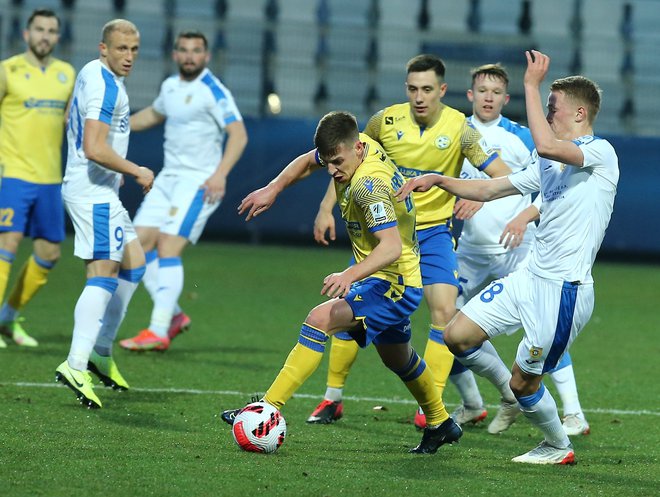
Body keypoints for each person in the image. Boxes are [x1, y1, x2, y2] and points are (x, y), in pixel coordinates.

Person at [395, 50, 618, 464]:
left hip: (563, 290)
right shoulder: (547, 162)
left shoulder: (601, 153)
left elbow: (549, 145)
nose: (547, 115)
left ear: (580, 112)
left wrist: (531, 85)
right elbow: (491, 189)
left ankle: (557, 445)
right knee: (457, 335)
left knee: (526, 381)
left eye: (553, 108)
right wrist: (440, 180)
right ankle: (506, 397)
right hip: (528, 278)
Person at [221, 111, 462, 454]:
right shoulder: (352, 146)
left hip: (394, 281)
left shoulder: (369, 186)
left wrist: (348, 275)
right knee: (398, 358)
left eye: (337, 162)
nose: (332, 170)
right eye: (329, 161)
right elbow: (309, 161)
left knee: (319, 319)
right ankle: (441, 423)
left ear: (357, 149)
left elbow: (391, 247)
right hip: (388, 277)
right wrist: (274, 188)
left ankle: (266, 410)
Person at [306, 54, 510, 427]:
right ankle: (332, 397)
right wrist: (325, 207)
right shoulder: (383, 121)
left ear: (442, 91)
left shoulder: (462, 130)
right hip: (386, 232)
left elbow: (501, 175)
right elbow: (342, 160)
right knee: (352, 306)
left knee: (445, 315)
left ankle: (431, 407)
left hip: (432, 233)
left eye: (427, 89)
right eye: (413, 88)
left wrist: (472, 195)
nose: (419, 96)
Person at [449, 63, 591, 437]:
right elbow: (481, 186)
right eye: (482, 91)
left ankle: (572, 413)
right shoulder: (454, 132)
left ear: (505, 98)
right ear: (470, 95)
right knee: (447, 323)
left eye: (496, 92)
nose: (489, 97)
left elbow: (551, 183)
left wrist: (524, 215)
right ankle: (473, 402)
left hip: (520, 247)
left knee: (542, 331)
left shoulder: (527, 137)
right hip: (471, 248)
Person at [118, 30, 247, 352]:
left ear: (206, 56)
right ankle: (173, 316)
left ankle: (158, 330)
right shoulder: (170, 87)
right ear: (175, 54)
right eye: (184, 50)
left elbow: (239, 134)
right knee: (136, 247)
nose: (190, 56)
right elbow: (153, 114)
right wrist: (116, 124)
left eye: (196, 51)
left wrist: (220, 175)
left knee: (167, 246)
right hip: (168, 180)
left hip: (198, 182)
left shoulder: (212, 90)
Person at [55, 19, 154, 409]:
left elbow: (71, 121)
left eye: (134, 49)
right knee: (103, 273)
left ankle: (99, 350)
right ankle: (76, 363)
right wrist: (135, 169)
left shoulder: (90, 72)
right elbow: (94, 147)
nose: (128, 57)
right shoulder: (105, 86)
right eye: (121, 50)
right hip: (92, 193)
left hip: (100, 189)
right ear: (103, 48)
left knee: (135, 264)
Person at [0, 9, 75, 348]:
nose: (45, 35)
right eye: (39, 29)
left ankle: (8, 318)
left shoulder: (66, 74)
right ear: (26, 34)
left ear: (57, 37)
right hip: (13, 174)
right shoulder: (8, 70)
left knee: (49, 253)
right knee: (8, 244)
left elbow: (69, 125)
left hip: (49, 178)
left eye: (52, 30)